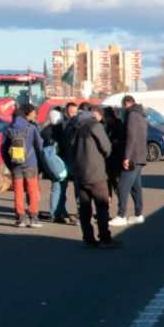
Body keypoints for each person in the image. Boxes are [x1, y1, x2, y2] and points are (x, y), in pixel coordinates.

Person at [63, 101, 121, 248]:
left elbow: (66, 149)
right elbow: (106, 147)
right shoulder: (94, 126)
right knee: (102, 206)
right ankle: (104, 238)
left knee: (84, 208)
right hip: (95, 172)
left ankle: (88, 238)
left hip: (78, 173)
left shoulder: (71, 127)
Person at [1, 103, 46, 229]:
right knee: (32, 190)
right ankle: (34, 218)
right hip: (31, 163)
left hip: (15, 164)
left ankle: (20, 218)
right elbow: (39, 147)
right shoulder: (31, 127)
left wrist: (10, 165)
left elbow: (3, 150)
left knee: (18, 191)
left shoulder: (8, 128)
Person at [110, 95, 147, 227]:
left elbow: (131, 137)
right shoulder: (141, 115)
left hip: (133, 157)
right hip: (140, 156)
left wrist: (127, 157)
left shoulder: (131, 116)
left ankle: (121, 215)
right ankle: (138, 214)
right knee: (135, 187)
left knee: (122, 186)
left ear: (126, 104)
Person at [40, 105, 75, 224]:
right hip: (61, 162)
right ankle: (58, 212)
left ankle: (58, 212)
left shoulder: (46, 131)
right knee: (60, 189)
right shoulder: (61, 130)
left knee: (57, 188)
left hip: (51, 164)